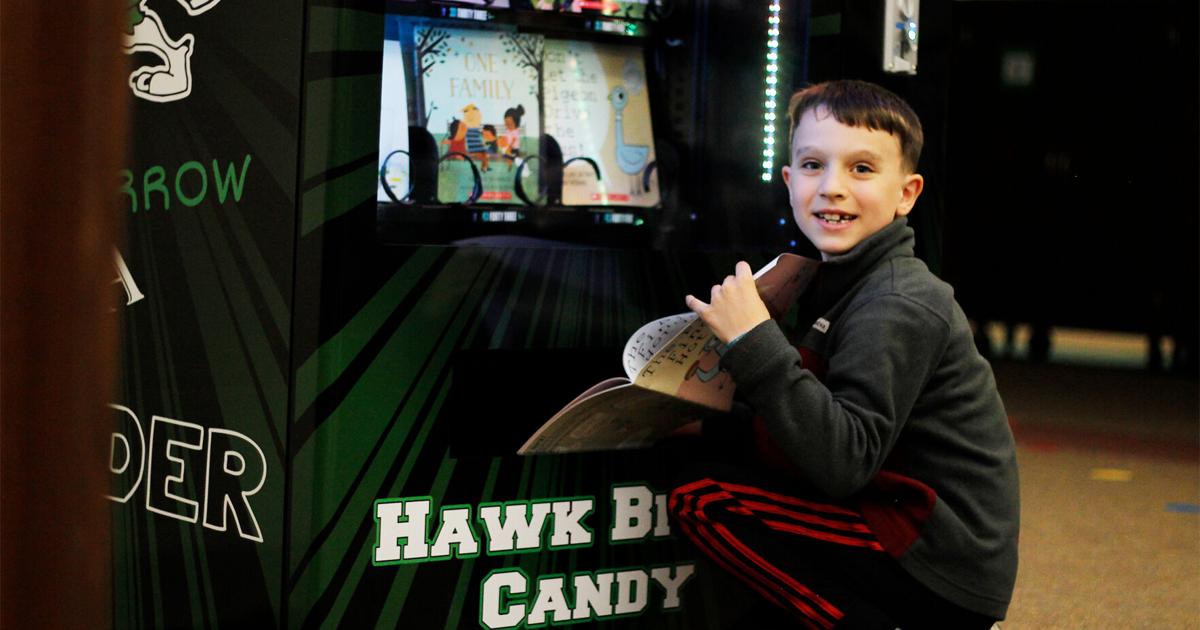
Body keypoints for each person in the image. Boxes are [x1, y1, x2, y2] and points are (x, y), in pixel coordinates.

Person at [673, 80, 1019, 629]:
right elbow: (807, 427)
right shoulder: (831, 281)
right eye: (813, 165)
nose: (832, 187)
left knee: (704, 500)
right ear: (788, 182)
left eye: (861, 169)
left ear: (907, 193)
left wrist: (753, 339)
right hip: (889, 515)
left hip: (936, 553)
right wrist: (710, 427)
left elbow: (842, 462)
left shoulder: (901, 300)